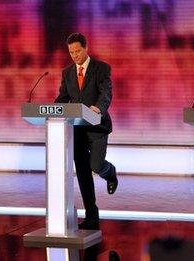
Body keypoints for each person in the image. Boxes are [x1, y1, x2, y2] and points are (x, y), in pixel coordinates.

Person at [54, 32, 118, 230]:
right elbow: (63, 98)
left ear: (86, 48)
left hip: (97, 127)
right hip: (78, 130)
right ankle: (92, 216)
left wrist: (98, 107)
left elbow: (106, 92)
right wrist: (50, 109)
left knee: (96, 166)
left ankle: (110, 172)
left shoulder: (101, 68)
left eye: (77, 51)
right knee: (82, 173)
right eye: (71, 52)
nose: (74, 55)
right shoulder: (67, 72)